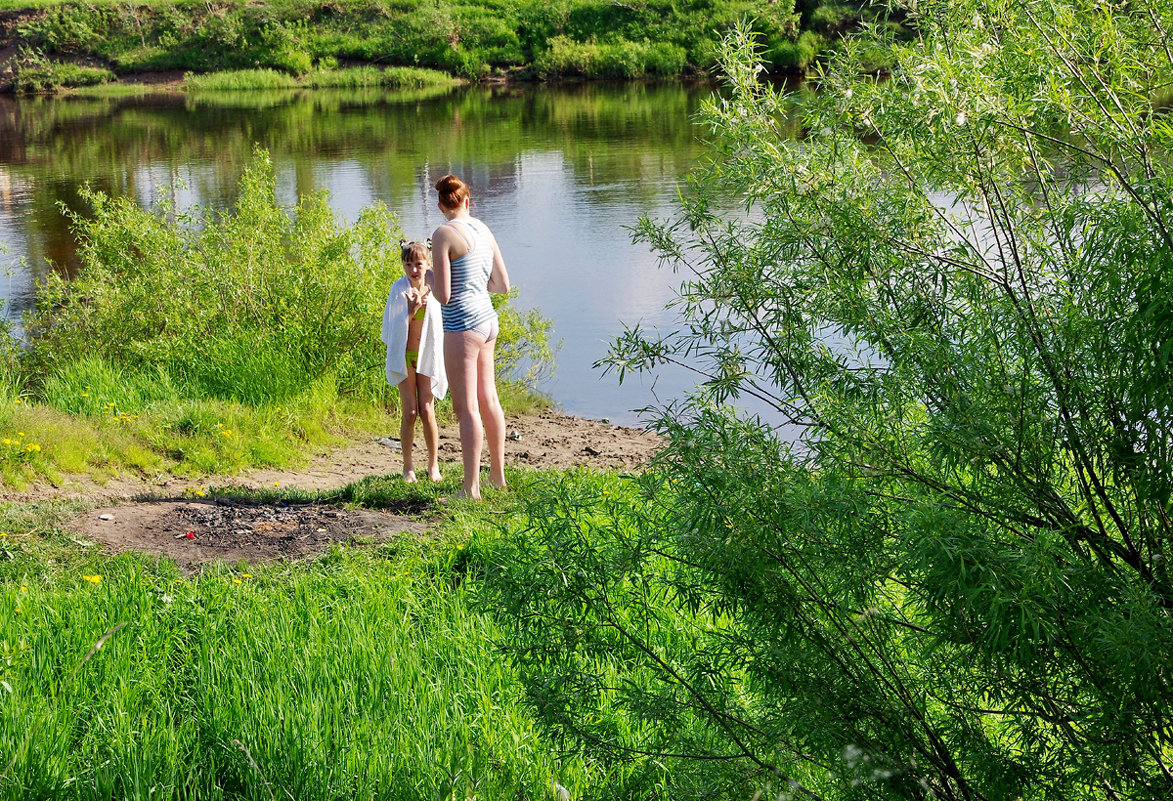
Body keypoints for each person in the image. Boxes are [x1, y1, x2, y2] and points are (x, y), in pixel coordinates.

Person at [430, 174, 510, 499]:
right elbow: (502, 285)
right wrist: (477, 287)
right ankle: (497, 477)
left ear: (440, 206)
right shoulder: (483, 228)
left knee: (466, 408)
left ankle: (470, 489)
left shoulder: (442, 234)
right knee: (489, 399)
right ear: (467, 201)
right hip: (488, 320)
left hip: (462, 325)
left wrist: (432, 276)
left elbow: (444, 296)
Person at [381, 240, 447, 482]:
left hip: (427, 356)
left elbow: (441, 329)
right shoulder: (399, 290)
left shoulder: (436, 291)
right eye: (408, 264)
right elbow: (390, 333)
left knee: (427, 410)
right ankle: (408, 467)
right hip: (405, 357)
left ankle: (433, 466)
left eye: (418, 264)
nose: (414, 270)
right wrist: (410, 311)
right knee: (409, 412)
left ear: (428, 264)